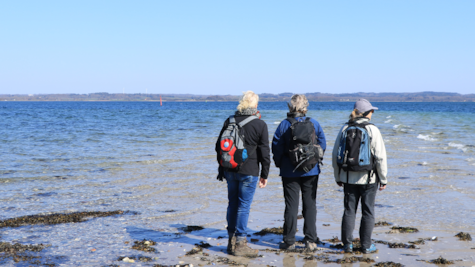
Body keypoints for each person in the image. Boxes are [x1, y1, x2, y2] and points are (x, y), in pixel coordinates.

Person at [215, 91, 270, 257]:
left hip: (229, 169)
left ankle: (231, 242)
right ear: (255, 105)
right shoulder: (260, 125)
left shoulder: (230, 120)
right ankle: (240, 244)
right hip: (249, 171)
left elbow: (219, 146)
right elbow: (265, 152)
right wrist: (265, 174)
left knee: (232, 204)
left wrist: (221, 169)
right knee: (243, 206)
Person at [331, 98, 388, 254]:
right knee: (368, 211)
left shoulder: (345, 128)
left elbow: (335, 154)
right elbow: (380, 157)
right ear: (367, 113)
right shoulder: (373, 130)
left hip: (348, 177)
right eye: (371, 111)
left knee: (349, 210)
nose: (372, 113)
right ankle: (366, 245)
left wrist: (338, 176)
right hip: (369, 178)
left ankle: (347, 245)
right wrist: (383, 179)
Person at [272, 94, 326, 250]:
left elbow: (276, 147)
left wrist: (280, 164)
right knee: (310, 205)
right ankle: (310, 240)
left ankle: (289, 241)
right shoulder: (314, 123)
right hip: (311, 170)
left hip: (289, 171)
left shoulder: (283, 125)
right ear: (305, 108)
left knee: (291, 206)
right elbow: (322, 144)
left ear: (290, 107)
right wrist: (313, 160)